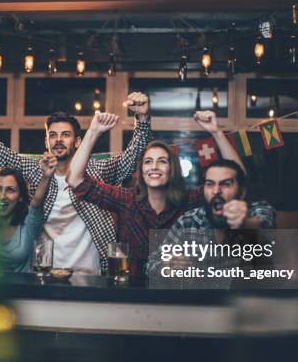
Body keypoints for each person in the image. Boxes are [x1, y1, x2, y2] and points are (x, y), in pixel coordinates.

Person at [0, 89, 153, 274]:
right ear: (46, 142)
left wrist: (142, 119)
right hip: (45, 272)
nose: (58, 140)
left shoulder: (98, 171)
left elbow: (133, 159)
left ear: (78, 142)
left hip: (93, 272)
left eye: (65, 135)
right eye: (52, 135)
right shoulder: (36, 171)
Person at [66, 110, 247, 276]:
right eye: (148, 161)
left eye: (162, 161)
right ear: (141, 170)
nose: (154, 166)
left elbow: (236, 179)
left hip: (174, 291)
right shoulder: (126, 199)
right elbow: (75, 179)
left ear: (171, 169)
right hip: (130, 291)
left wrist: (216, 133)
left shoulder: (187, 200)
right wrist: (94, 131)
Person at [147, 158, 276, 277]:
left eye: (225, 184)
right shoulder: (188, 222)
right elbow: (151, 265)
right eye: (210, 184)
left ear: (242, 192)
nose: (216, 191)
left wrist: (244, 224)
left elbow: (263, 223)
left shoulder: (257, 210)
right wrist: (167, 266)